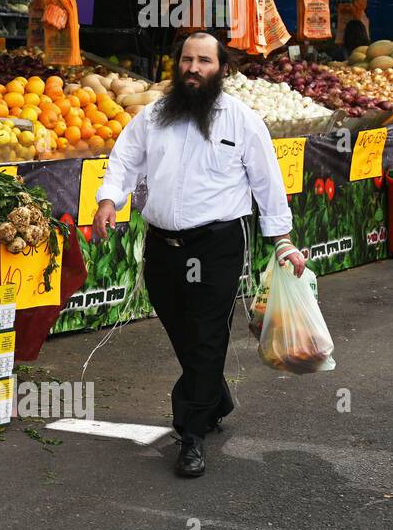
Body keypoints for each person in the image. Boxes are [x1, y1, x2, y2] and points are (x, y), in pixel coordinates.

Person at [91, 31, 306, 479]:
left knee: (207, 335)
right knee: (184, 333)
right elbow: (124, 158)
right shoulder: (153, 116)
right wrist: (109, 200)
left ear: (221, 69)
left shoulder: (243, 121)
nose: (193, 68)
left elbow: (268, 182)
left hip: (218, 245)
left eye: (204, 61)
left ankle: (190, 434)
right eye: (187, 59)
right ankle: (216, 397)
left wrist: (282, 240)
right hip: (163, 246)